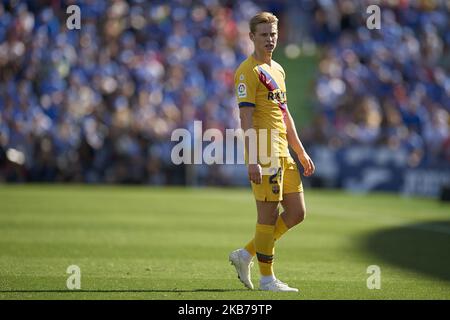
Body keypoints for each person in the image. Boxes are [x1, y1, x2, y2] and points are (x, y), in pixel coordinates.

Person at [229, 12, 315, 292]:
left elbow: (285, 113)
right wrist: (252, 158)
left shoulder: (278, 69)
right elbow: (245, 120)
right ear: (252, 37)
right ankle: (268, 280)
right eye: (264, 34)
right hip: (265, 150)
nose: (270, 39)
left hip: (283, 150)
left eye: (273, 34)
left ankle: (246, 254)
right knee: (266, 217)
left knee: (297, 212)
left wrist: (300, 151)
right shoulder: (247, 72)